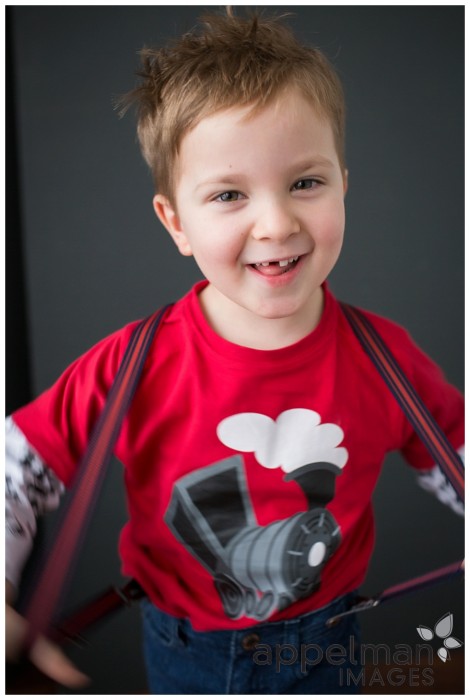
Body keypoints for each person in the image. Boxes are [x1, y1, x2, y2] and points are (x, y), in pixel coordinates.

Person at [5, 9, 464, 694]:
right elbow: (17, 469)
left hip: (330, 642)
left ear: (344, 181)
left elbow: (454, 452)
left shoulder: (384, 357)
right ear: (176, 222)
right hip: (187, 649)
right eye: (227, 194)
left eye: (306, 182)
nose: (277, 223)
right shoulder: (131, 365)